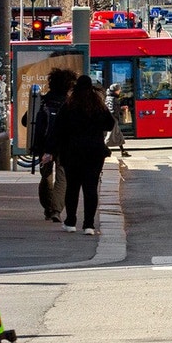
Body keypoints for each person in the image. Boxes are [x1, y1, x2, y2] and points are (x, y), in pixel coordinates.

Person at [42, 74, 116, 236]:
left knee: (72, 188)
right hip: (94, 153)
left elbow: (57, 130)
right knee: (91, 188)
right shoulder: (98, 106)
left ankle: (70, 222)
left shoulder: (69, 106)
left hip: (72, 153)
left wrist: (49, 151)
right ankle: (88, 225)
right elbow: (110, 124)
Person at [23, 67, 76, 222]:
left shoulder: (42, 101)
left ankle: (48, 207)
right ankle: (56, 210)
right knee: (63, 177)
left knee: (46, 176)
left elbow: (26, 121)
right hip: (64, 146)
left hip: (43, 145)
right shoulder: (70, 103)